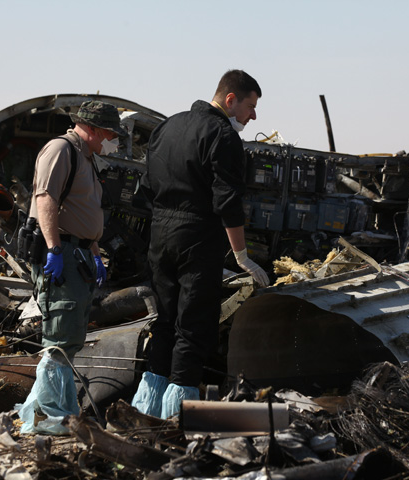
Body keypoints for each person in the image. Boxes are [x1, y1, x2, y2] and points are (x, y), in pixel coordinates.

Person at [132, 70, 270, 419]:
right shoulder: (223, 136)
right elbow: (228, 203)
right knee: (193, 325)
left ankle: (148, 407)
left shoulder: (167, 127)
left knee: (164, 320)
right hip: (198, 237)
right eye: (250, 106)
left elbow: (144, 188)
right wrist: (242, 256)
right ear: (230, 100)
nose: (253, 116)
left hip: (160, 236)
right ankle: (177, 416)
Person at [17, 101, 127, 434]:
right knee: (60, 335)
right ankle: (44, 418)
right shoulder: (61, 150)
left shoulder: (86, 157)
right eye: (109, 134)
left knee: (71, 336)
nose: (113, 141)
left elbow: (83, 210)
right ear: (91, 128)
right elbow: (45, 199)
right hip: (61, 251)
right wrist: (54, 249)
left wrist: (94, 253)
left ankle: (59, 412)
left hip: (77, 252)